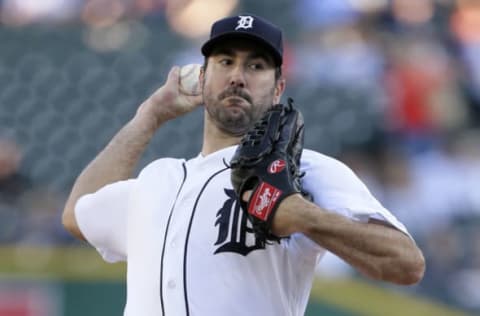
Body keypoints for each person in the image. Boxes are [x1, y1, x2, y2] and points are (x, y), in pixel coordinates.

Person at [62, 14, 425, 316]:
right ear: (202, 79)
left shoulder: (305, 170)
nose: (238, 75)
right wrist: (149, 117)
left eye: (256, 65)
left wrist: (306, 217)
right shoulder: (159, 178)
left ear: (279, 87)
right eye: (225, 61)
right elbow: (78, 216)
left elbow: (406, 264)